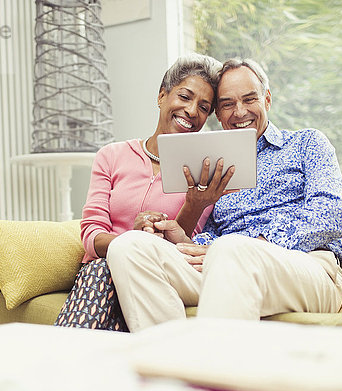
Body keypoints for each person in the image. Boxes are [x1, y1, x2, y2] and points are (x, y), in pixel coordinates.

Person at [106, 58, 342, 332]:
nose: (240, 111)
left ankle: (213, 371)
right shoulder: (212, 163)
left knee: (231, 248)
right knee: (129, 246)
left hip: (306, 268)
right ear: (218, 115)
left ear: (267, 100)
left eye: (249, 99)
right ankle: (172, 361)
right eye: (227, 104)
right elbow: (212, 238)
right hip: (224, 264)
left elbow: (332, 216)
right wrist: (184, 239)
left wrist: (257, 243)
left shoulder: (307, 143)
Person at [54, 54, 233, 331]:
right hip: (102, 270)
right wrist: (131, 239)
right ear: (162, 95)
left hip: (155, 273)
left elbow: (183, 251)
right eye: (184, 96)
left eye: (203, 107)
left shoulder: (204, 169)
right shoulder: (111, 156)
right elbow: (91, 235)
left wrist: (194, 205)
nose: (192, 111)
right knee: (103, 273)